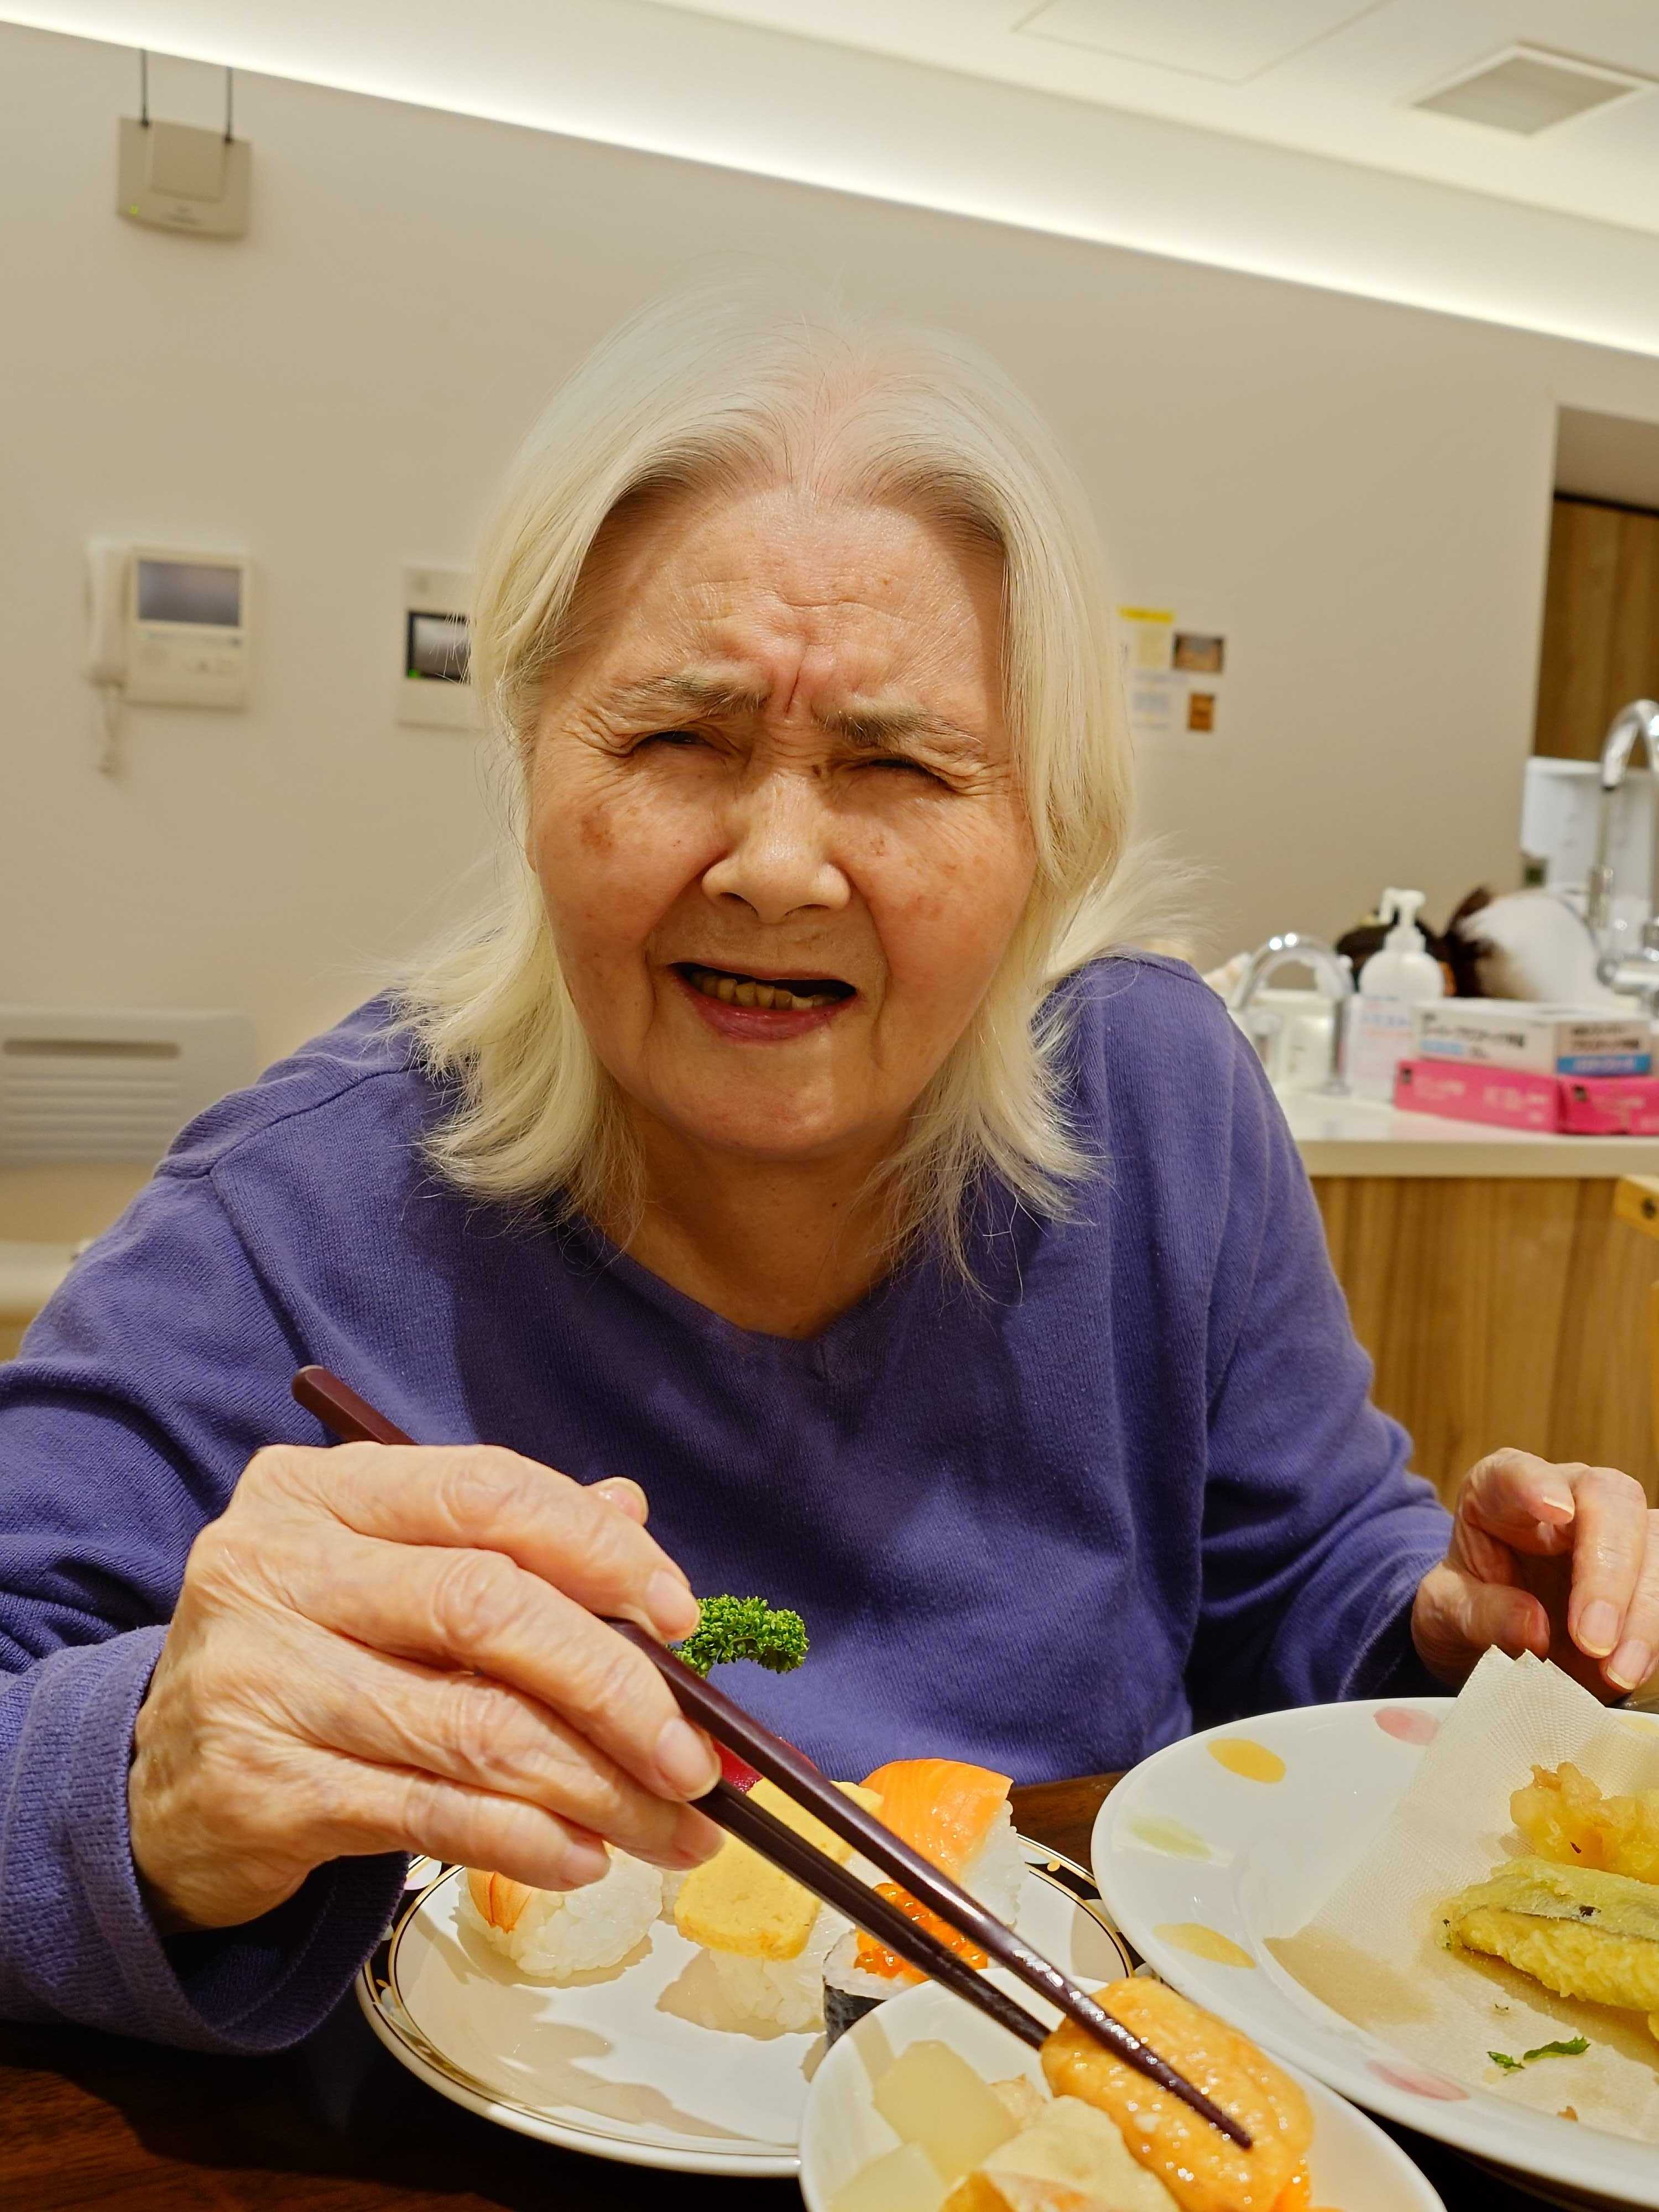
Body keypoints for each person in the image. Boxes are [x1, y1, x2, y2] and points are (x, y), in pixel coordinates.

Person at [2, 287, 1655, 2055]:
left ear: (1046, 830)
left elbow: (1301, 1567)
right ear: (534, 758)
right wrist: (155, 1783)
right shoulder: (296, 1205)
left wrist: (1449, 1634)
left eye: (898, 763)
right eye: (676, 740)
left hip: (1060, 2107)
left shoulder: (1158, 1101)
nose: (778, 866)